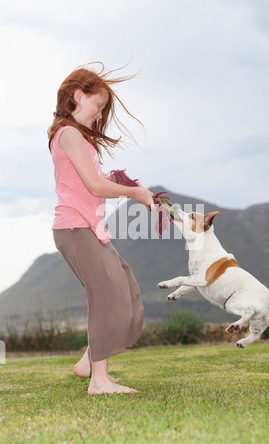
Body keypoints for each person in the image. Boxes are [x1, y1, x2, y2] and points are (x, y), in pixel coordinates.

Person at [48, 63, 154, 394]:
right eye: (98, 105)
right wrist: (133, 192)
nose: (99, 114)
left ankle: (87, 363)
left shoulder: (78, 139)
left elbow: (94, 181)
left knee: (127, 290)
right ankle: (100, 380)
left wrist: (120, 181)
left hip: (88, 228)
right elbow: (93, 186)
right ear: (78, 96)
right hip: (75, 228)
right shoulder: (67, 135)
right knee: (106, 296)